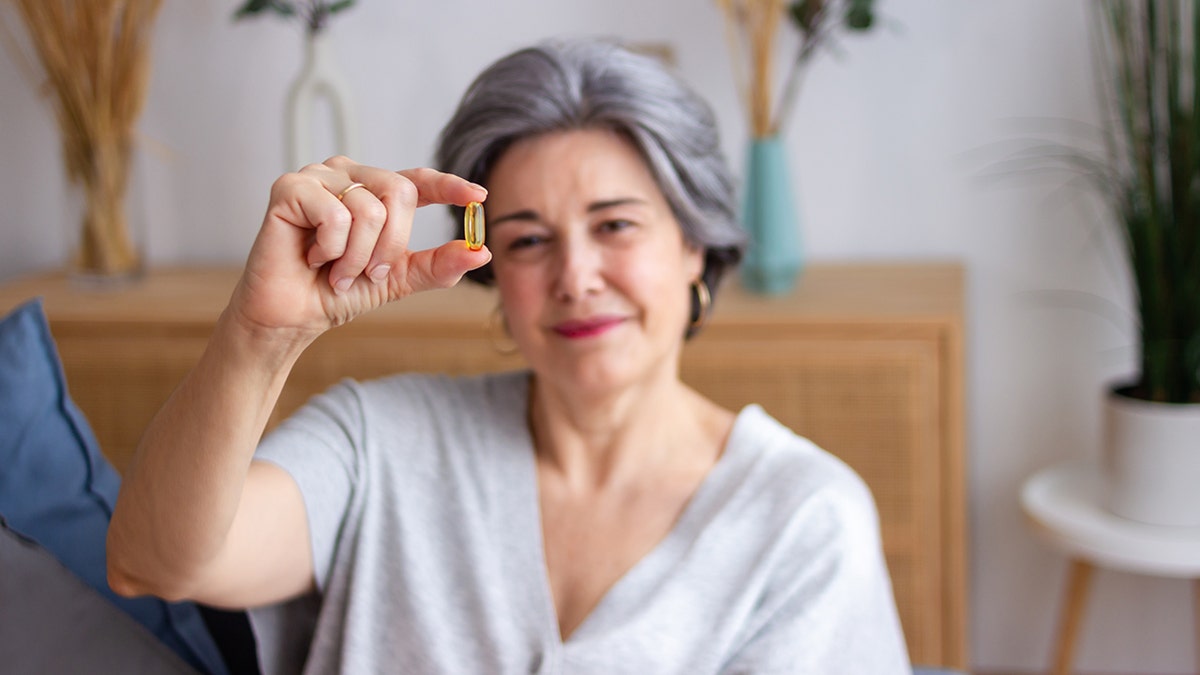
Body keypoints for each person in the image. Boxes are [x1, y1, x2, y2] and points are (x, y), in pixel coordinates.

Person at [107, 37, 911, 674]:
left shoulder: (806, 519)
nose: (576, 277)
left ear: (695, 244)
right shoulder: (382, 441)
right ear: (491, 273)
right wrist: (259, 335)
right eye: (528, 239)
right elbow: (156, 562)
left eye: (616, 225)